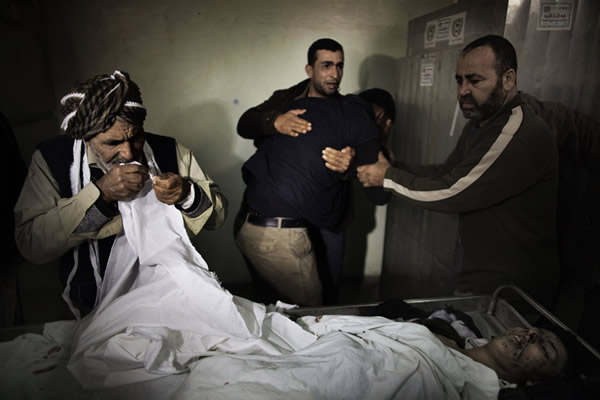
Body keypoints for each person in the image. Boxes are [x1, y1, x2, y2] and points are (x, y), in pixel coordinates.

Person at [356, 35, 560, 308]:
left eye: (475, 81)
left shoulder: (514, 133)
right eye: (459, 80)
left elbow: (452, 190)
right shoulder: (481, 124)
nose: (463, 91)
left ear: (508, 79)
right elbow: (447, 172)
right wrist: (394, 165)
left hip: (512, 292)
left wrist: (387, 178)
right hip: (481, 281)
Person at [13, 70, 227, 317]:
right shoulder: (53, 160)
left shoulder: (169, 149)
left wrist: (186, 194)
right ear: (86, 138)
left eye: (136, 137)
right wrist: (101, 195)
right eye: (112, 143)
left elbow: (217, 218)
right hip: (95, 304)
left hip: (174, 296)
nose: (128, 153)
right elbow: (31, 244)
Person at [235, 89, 391, 307]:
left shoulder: (332, 110)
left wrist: (351, 164)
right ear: (383, 118)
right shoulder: (290, 99)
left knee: (280, 305)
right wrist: (275, 121)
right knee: (308, 312)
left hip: (263, 220)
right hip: (280, 226)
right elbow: (380, 193)